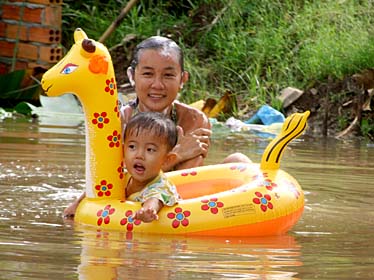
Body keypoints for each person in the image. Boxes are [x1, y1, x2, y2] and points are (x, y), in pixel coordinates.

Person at [63, 35, 250, 219]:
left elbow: (183, 182)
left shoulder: (194, 120)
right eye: (147, 74)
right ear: (132, 76)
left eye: (168, 75)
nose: (157, 85)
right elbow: (114, 178)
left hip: (178, 200)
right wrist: (179, 153)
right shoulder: (119, 120)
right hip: (131, 202)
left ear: (183, 79)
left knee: (238, 160)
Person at [67, 112, 180, 223]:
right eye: (132, 147)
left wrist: (147, 211)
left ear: (167, 160)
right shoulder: (122, 176)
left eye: (150, 149)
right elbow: (96, 188)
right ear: (122, 150)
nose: (139, 155)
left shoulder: (161, 188)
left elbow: (155, 201)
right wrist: (76, 205)